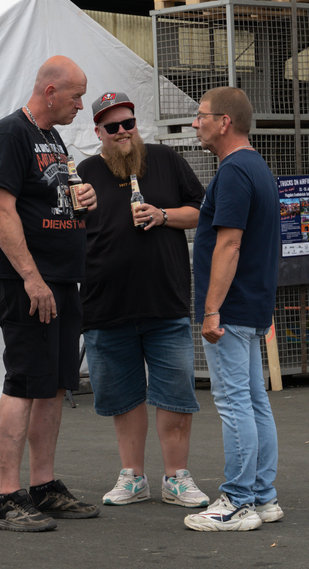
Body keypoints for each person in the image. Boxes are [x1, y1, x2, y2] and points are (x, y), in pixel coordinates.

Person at [0, 55, 100, 532]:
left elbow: (50, 201)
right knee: (25, 381)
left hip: (61, 278)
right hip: (25, 282)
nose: (80, 105)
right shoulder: (11, 133)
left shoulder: (52, 137)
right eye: (75, 96)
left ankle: (43, 486)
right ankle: (9, 499)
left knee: (53, 384)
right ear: (50, 92)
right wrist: (32, 277)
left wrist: (82, 200)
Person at [77, 91, 209, 508]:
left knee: (174, 394)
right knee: (124, 398)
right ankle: (133, 476)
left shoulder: (166, 161)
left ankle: (176, 477)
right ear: (97, 131)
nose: (122, 133)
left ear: (137, 125)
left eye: (127, 123)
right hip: (106, 304)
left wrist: (163, 215)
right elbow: (67, 230)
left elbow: (204, 211)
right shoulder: (84, 172)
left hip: (164, 301)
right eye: (111, 127)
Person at [184, 87, 283, 532]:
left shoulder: (235, 172)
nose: (194, 123)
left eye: (201, 115)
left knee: (235, 402)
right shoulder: (257, 167)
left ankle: (238, 501)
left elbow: (229, 243)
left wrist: (210, 310)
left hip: (232, 308)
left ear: (224, 122)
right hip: (252, 304)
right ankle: (263, 498)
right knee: (255, 401)